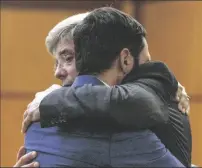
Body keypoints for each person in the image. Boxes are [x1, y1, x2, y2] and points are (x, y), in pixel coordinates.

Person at [14, 8, 190, 167]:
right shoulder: (42, 114)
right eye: (56, 63)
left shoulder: (40, 117)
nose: (58, 73)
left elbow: (132, 102)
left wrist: (51, 100)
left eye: (68, 58)